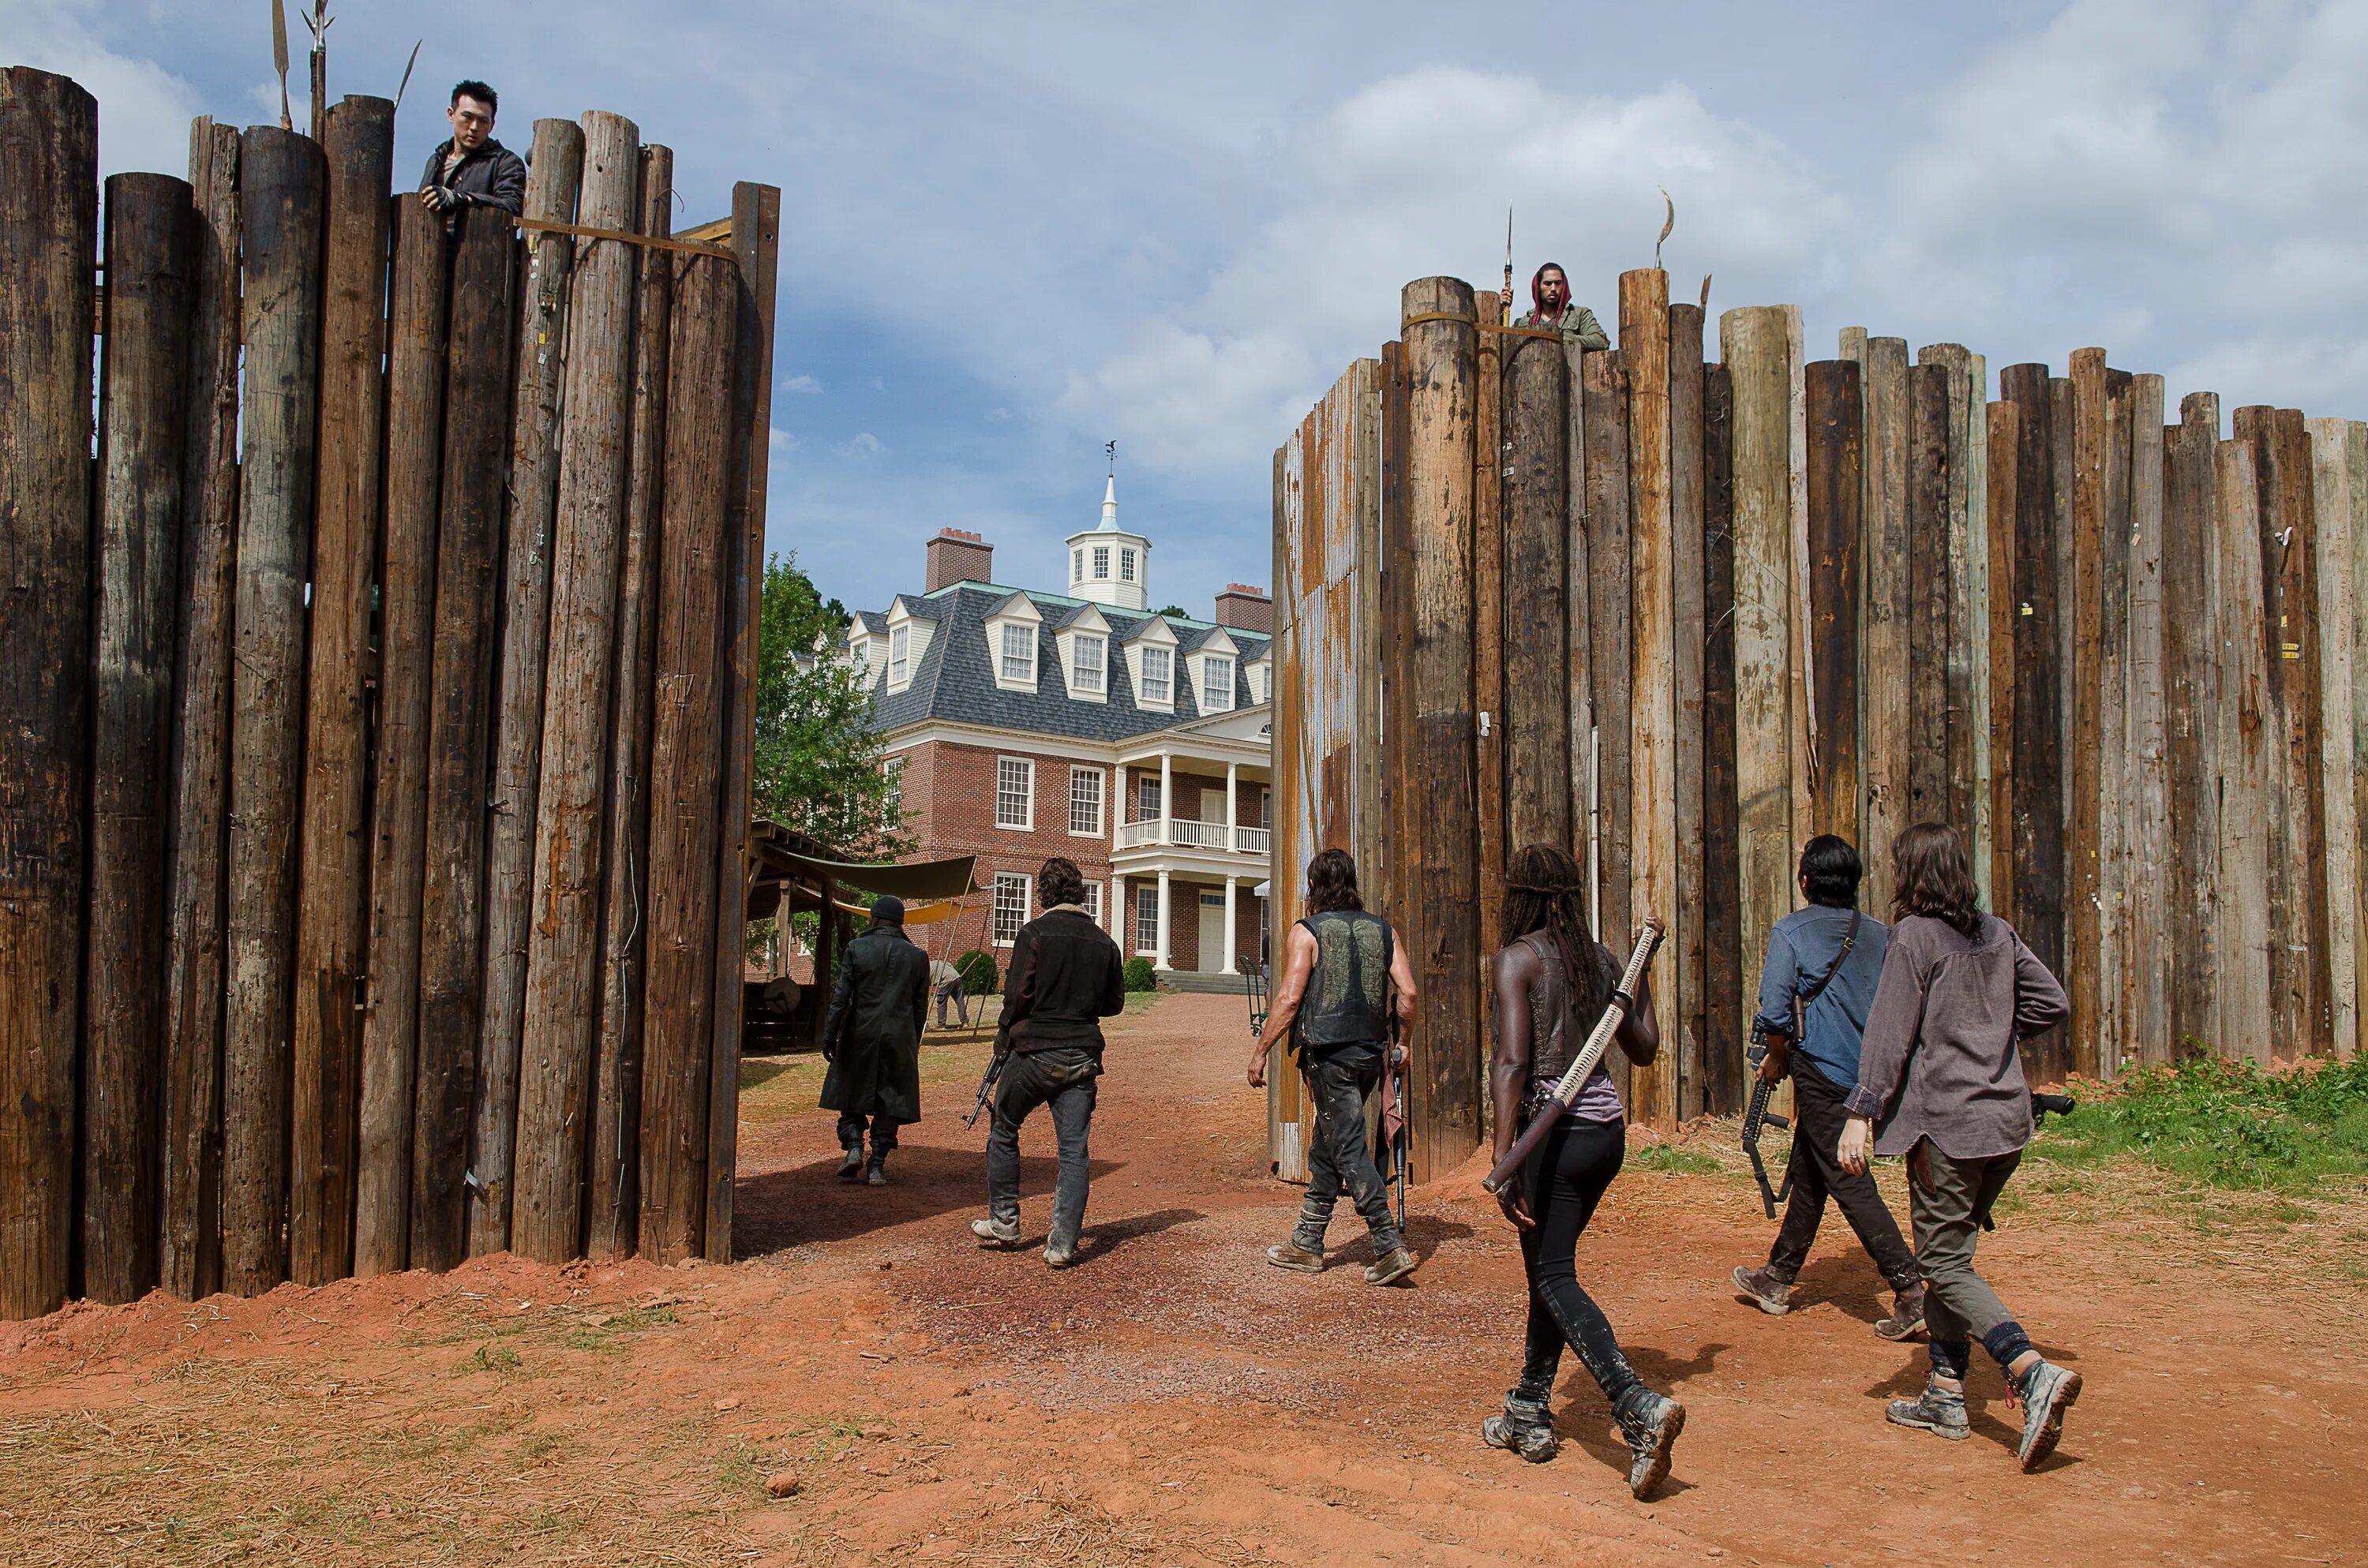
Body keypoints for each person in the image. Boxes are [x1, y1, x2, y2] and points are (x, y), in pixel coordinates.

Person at [1838, 821, 2078, 1471]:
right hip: (2005, 1127)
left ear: (1910, 872)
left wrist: (1861, 1113)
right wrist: (1996, 1038)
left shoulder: (1914, 935)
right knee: (1953, 1253)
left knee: (1942, 1263)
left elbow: (1888, 1034)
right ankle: (1946, 1390)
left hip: (1947, 1126)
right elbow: (2050, 1001)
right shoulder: (1997, 931)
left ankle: (2028, 1370)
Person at [1479, 844, 1684, 1500]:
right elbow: (1645, 1048)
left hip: (1552, 1137)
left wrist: (1504, 1155)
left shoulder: (1517, 960)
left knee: (1552, 1272)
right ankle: (1530, 1408)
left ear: (1521, 896)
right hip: (1606, 1135)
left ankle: (1636, 1405)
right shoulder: (1600, 962)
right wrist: (1636, 975)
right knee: (1553, 1264)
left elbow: (1512, 1064)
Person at [1730, 835, 1926, 1338]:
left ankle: (1909, 1289)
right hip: (1873, 1074)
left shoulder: (1791, 932)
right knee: (1812, 1167)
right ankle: (1777, 1277)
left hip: (1820, 1071)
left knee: (1846, 1176)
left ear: (1804, 882)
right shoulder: (1883, 934)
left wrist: (1776, 1058)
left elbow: (1774, 1011)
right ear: (1856, 883)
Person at [1243, 848, 1418, 1287]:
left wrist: (1261, 1050)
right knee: (1328, 1142)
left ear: (1314, 887)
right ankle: (1307, 1242)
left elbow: (1287, 1000)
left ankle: (1387, 1244)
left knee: (1348, 1146)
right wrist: (1403, 1044)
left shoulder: (1307, 931)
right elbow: (1409, 994)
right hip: (1369, 1056)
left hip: (1328, 1056)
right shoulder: (1384, 931)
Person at [971, 859, 1125, 1268]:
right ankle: (1062, 1244)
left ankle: (1004, 1220)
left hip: (1034, 1051)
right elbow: (1114, 1004)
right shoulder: (1106, 943)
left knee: (1004, 1125)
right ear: (1080, 894)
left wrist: (1002, 1041)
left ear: (1044, 894)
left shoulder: (1034, 933)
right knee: (1074, 1151)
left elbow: (1016, 998)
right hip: (1083, 1055)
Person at [817, 896, 930, 1185]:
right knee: (891, 1099)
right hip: (899, 1036)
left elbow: (840, 998)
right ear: (900, 922)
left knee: (851, 1092)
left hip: (860, 1032)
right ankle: (877, 1163)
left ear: (875, 918)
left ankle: (854, 1146)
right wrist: (911, 1043)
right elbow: (920, 1008)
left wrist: (830, 1035)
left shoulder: (857, 948)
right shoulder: (918, 957)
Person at [418, 80, 526, 234]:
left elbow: (511, 207)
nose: (474, 127)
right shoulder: (435, 161)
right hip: (428, 249)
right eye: (468, 117)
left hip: (478, 252)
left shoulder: (505, 162)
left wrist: (462, 199)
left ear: (492, 125)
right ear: (451, 114)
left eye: (483, 121)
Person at [1512, 263, 1610, 350]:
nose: (1553, 288)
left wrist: (1561, 338)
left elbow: (1601, 341)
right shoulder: (1523, 322)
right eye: (1548, 283)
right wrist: (1501, 307)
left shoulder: (1579, 314)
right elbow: (1504, 344)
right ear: (1538, 287)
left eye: (1558, 283)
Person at [930, 956, 969, 1030]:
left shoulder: (925, 970)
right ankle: (965, 1022)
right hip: (957, 976)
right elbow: (950, 965)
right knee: (960, 1000)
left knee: (941, 1002)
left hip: (946, 980)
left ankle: (941, 1025)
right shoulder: (937, 962)